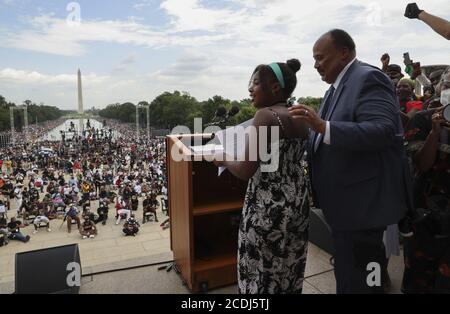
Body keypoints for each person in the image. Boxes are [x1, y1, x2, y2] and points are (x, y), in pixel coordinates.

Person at [289, 29, 411, 294]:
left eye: (321, 58)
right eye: (314, 59)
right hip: (345, 210)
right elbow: (325, 135)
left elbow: (382, 130)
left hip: (363, 210)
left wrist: (321, 126)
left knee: (366, 281)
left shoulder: (368, 78)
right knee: (350, 277)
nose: (316, 65)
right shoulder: (335, 89)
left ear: (344, 53)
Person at [213, 59, 310, 293]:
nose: (250, 89)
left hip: (267, 206)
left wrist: (223, 157)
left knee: (260, 273)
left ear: (275, 88)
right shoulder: (300, 115)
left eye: (255, 83)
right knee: (289, 267)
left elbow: (246, 170)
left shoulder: (265, 116)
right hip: (297, 199)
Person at [401, 85, 450, 293]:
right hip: (427, 214)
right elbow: (422, 164)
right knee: (420, 275)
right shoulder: (422, 120)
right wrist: (434, 133)